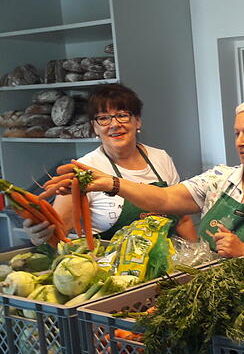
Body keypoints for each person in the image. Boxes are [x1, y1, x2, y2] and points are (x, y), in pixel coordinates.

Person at [44, 97, 244, 261]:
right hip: (212, 290)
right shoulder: (219, 178)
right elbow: (164, 198)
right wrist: (112, 183)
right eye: (237, 134)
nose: (240, 142)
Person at [23, 84, 196, 244]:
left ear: (137, 121)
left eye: (122, 115)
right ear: (95, 127)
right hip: (110, 270)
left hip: (164, 264)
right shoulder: (83, 170)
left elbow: (182, 219)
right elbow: (58, 229)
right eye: (103, 118)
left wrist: (201, 257)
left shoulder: (160, 158)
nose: (114, 124)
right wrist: (39, 234)